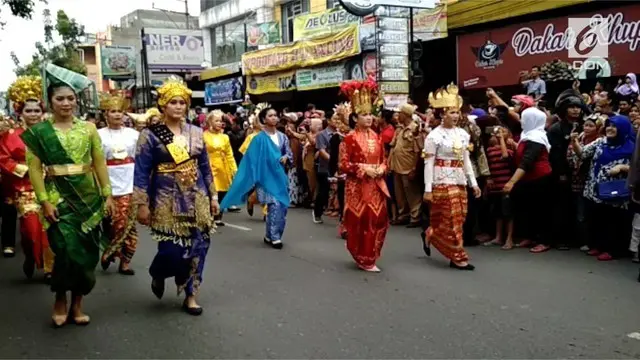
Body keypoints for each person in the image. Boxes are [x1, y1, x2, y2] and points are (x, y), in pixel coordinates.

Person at [21, 64, 115, 327]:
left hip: (88, 197)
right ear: (50, 102)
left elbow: (99, 163)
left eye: (70, 98)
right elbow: (35, 169)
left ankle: (77, 303)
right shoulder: (39, 133)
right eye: (59, 98)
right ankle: (60, 298)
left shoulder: (88, 129)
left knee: (85, 255)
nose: (66, 103)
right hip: (57, 198)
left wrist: (107, 195)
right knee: (64, 251)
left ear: (77, 100)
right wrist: (44, 200)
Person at [133, 77, 219, 316]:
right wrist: (142, 204)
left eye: (182, 102)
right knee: (170, 250)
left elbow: (205, 166)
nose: (179, 106)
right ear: (163, 104)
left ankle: (191, 295)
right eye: (173, 102)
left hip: (197, 195)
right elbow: (141, 171)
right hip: (164, 198)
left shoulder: (196, 132)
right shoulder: (150, 135)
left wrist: (213, 196)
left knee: (199, 245)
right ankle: (158, 272)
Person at [422, 83, 481, 271]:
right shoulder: (434, 136)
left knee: (458, 219)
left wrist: (473, 183)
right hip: (441, 181)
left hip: (459, 180)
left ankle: (431, 234)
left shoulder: (463, 134)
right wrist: (428, 189)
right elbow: (428, 163)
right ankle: (457, 256)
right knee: (450, 219)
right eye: (451, 112)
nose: (455, 116)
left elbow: (466, 160)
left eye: (457, 112)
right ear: (442, 114)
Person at [1, 75, 53, 280]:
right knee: (31, 231)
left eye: (37, 110)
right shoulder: (11, 135)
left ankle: (50, 269)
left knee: (49, 231)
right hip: (25, 190)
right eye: (28, 111)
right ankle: (31, 257)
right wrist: (25, 169)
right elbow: (3, 158)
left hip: (50, 188)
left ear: (42, 112)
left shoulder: (51, 132)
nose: (33, 114)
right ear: (20, 112)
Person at [220, 107, 292, 249]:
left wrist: (286, 158)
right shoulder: (258, 139)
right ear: (264, 119)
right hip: (265, 177)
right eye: (270, 115)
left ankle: (270, 235)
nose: (274, 118)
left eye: (275, 115)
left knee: (282, 207)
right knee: (274, 205)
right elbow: (251, 159)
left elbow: (289, 153)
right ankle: (275, 237)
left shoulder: (283, 137)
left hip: (280, 176)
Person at [338, 79, 389, 272]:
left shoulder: (377, 137)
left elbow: (385, 159)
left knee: (379, 219)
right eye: (364, 114)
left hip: (376, 185)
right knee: (362, 221)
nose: (369, 118)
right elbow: (343, 164)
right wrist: (362, 168)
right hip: (358, 187)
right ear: (355, 117)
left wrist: (382, 168)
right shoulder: (349, 139)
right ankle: (364, 257)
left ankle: (370, 255)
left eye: (370, 114)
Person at [571, 115, 634, 261]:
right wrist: (574, 142)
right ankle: (598, 246)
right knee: (596, 219)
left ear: (622, 128)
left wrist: (622, 167)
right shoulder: (601, 142)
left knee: (613, 221)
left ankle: (612, 249)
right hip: (595, 188)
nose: (610, 129)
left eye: (614, 126)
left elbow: (637, 168)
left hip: (616, 192)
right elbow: (582, 153)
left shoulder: (631, 146)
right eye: (608, 125)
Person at [98, 92, 139, 275]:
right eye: (112, 111)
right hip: (108, 183)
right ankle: (111, 250)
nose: (116, 115)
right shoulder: (98, 135)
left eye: (119, 111)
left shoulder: (134, 135)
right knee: (114, 224)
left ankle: (122, 261)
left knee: (128, 225)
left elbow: (142, 159)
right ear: (105, 114)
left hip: (130, 182)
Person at [504, 108, 554, 253]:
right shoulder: (527, 135)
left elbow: (527, 161)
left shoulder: (536, 137)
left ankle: (544, 241)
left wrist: (511, 182)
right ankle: (531, 236)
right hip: (528, 179)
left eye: (525, 118)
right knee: (529, 209)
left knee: (541, 211)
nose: (522, 121)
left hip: (540, 178)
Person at [389, 104, 423, 228]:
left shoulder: (415, 129)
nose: (398, 116)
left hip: (408, 167)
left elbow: (418, 151)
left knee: (412, 193)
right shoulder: (399, 129)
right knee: (400, 194)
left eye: (400, 114)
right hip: (397, 166)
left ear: (406, 115)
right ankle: (403, 215)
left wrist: (414, 168)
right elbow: (393, 146)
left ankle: (415, 216)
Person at [203, 110, 237, 226]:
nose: (219, 123)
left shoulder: (225, 137)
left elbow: (229, 154)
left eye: (221, 121)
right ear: (209, 122)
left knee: (223, 191)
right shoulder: (204, 136)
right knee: (212, 191)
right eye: (216, 121)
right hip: (209, 166)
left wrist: (234, 169)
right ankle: (210, 215)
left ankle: (218, 215)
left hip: (223, 166)